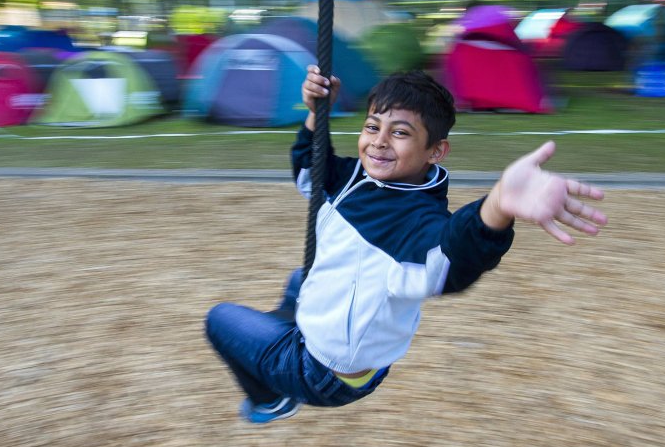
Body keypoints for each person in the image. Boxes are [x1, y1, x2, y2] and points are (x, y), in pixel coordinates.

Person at [205, 66, 608, 424]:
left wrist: (496, 207)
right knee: (301, 277)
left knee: (220, 319)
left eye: (400, 132)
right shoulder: (358, 178)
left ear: (435, 151)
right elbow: (310, 176)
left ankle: (272, 398)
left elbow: (450, 258)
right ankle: (290, 328)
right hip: (351, 346)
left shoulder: (415, 221)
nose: (379, 142)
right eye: (372, 126)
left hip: (324, 373)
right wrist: (315, 112)